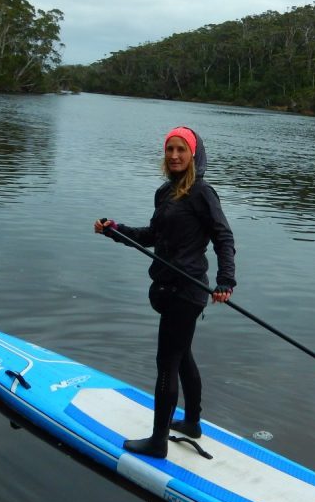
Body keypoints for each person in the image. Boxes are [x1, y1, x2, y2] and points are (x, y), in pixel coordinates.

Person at [94, 126, 236, 459]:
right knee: (182, 355)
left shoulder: (202, 193)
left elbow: (224, 238)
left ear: (193, 155)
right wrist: (115, 231)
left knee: (167, 363)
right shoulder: (165, 193)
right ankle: (192, 423)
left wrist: (226, 281)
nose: (174, 155)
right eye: (170, 149)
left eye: (181, 150)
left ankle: (158, 442)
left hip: (186, 291)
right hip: (167, 288)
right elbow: (151, 236)